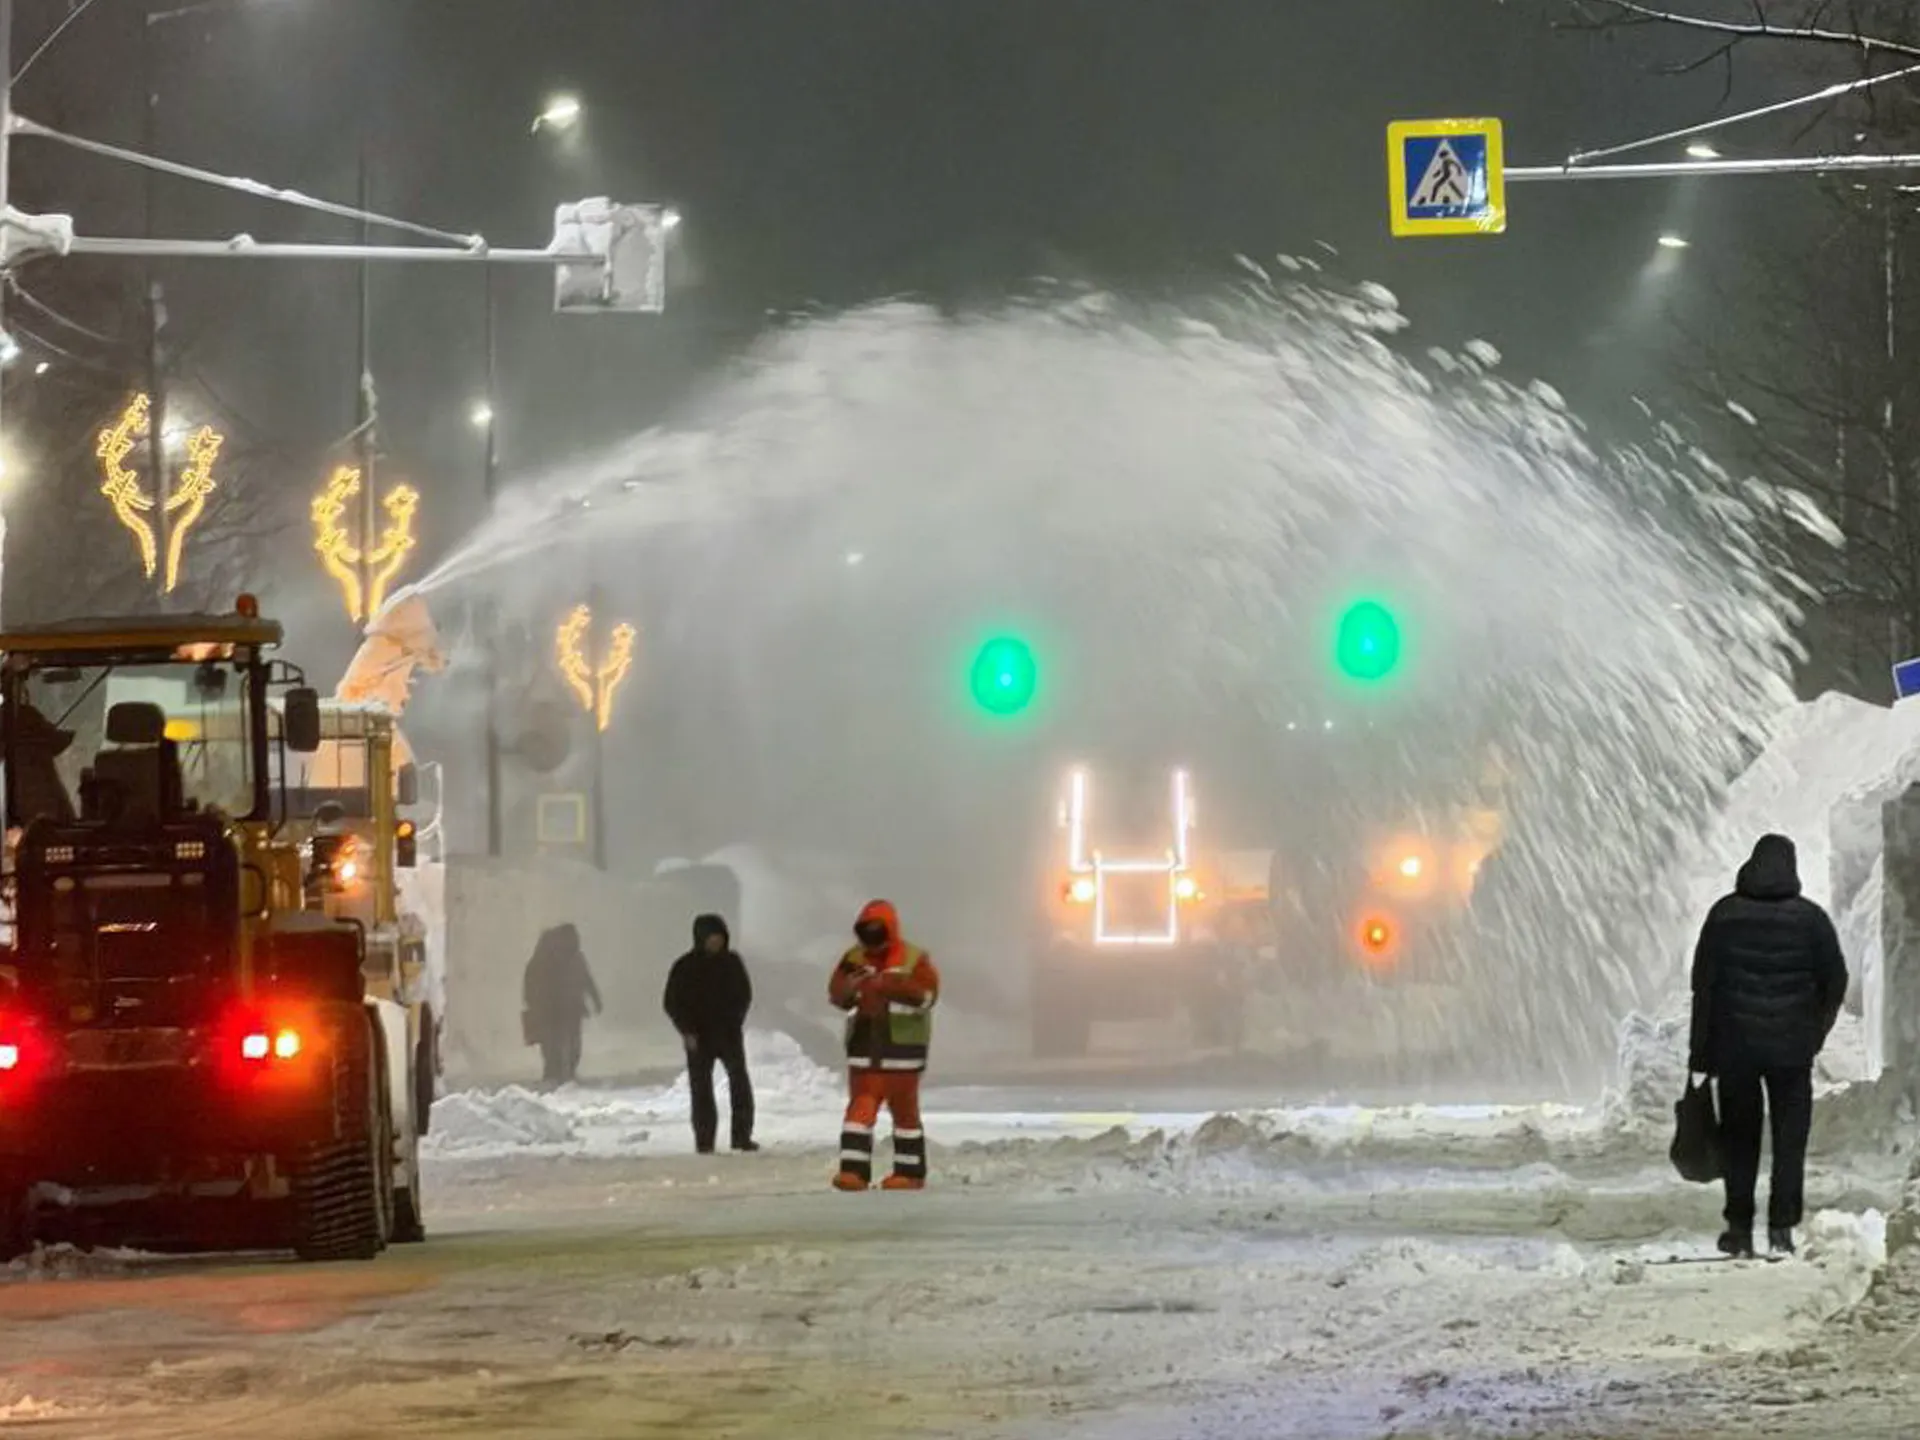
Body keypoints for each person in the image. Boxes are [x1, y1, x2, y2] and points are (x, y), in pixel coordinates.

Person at [1688, 833, 1848, 1258]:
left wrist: (1700, 1053)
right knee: (1789, 1141)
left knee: (1739, 1140)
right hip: (1792, 1053)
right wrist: (1814, 1032)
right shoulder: (1811, 920)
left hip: (1736, 1050)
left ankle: (1739, 1228)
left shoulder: (1724, 916)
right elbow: (1836, 980)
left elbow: (1704, 987)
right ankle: (1782, 1229)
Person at [828, 899, 941, 1192]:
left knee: (905, 1117)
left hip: (902, 1055)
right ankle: (853, 1172)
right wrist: (850, 988)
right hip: (866, 1054)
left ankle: (910, 1173)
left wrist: (888, 985)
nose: (871, 938)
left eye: (877, 931)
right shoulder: (853, 959)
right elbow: (837, 994)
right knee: (858, 1115)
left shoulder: (913, 958)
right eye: (866, 931)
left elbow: (927, 996)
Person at [662, 914, 758, 1154]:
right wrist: (686, 1030)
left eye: (719, 938)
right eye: (711, 938)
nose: (715, 943)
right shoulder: (684, 967)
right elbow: (672, 1002)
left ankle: (742, 1136)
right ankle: (704, 1140)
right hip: (698, 1037)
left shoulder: (732, 963)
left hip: (728, 1034)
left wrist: (736, 1020)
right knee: (701, 1089)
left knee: (740, 1084)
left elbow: (744, 994)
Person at [522, 923, 602, 1086]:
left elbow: (586, 979)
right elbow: (531, 984)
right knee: (553, 1044)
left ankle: (564, 1074)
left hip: (570, 1008)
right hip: (552, 1010)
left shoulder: (574, 957)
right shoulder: (545, 959)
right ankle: (555, 1075)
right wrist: (534, 1003)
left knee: (569, 1043)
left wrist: (595, 998)